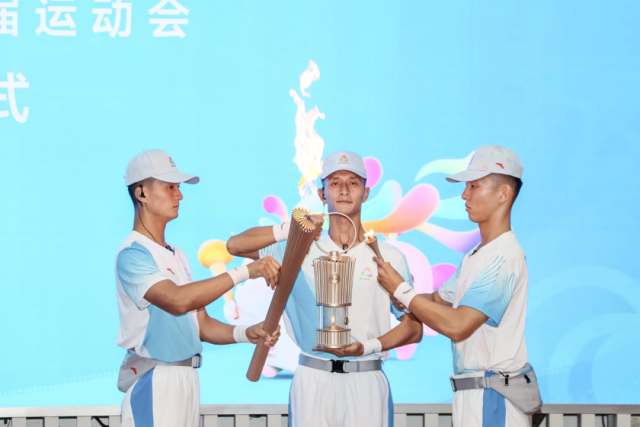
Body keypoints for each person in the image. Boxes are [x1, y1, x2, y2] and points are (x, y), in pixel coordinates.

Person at [227, 150, 423, 427]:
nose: (344, 190)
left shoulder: (390, 257)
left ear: (366, 193)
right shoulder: (298, 249)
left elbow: (414, 328)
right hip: (313, 379)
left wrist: (366, 347)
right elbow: (235, 246)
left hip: (366, 378)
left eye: (353, 182)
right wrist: (292, 230)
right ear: (322, 194)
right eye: (335, 182)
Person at [116, 149, 281, 427]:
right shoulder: (132, 253)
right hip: (156, 380)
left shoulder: (177, 255)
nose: (179, 195)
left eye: (178, 188)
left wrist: (246, 332)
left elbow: (200, 324)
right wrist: (246, 271)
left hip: (187, 378)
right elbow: (176, 300)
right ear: (141, 193)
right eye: (170, 187)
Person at [375, 145, 531, 427]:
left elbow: (459, 325)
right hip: (474, 394)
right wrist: (393, 294)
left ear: (504, 194)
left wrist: (401, 290)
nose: (464, 195)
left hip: (492, 398)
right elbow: (437, 301)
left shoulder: (503, 255)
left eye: (474, 186)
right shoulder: (477, 254)